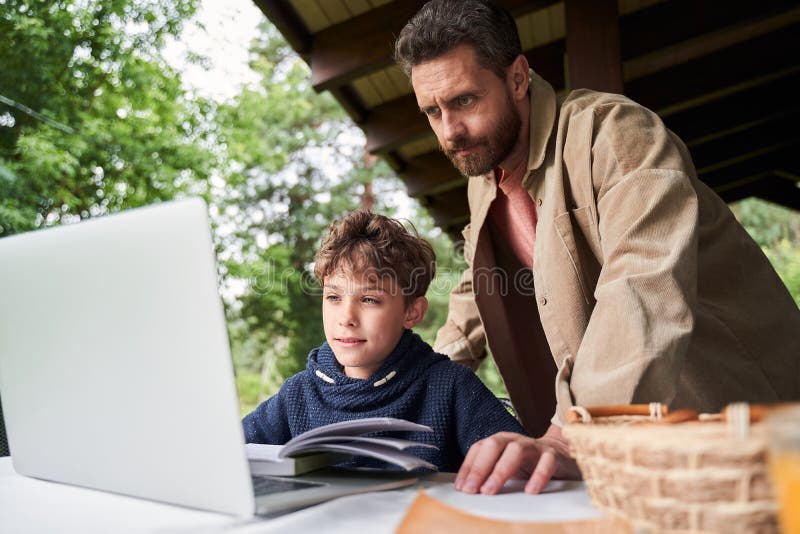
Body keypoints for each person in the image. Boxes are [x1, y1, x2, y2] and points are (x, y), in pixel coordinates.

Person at [394, 0, 800, 495]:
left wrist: (572, 436)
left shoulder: (615, 134)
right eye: (432, 111)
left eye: (464, 101)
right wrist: (414, 385)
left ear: (518, 78)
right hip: (654, 460)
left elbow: (643, 285)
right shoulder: (484, 181)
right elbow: (477, 289)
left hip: (755, 426)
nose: (449, 131)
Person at [242, 210, 527, 472]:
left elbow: (517, 461)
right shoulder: (298, 394)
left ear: (412, 312)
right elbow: (226, 453)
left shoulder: (451, 388)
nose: (346, 318)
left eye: (369, 299)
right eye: (334, 297)